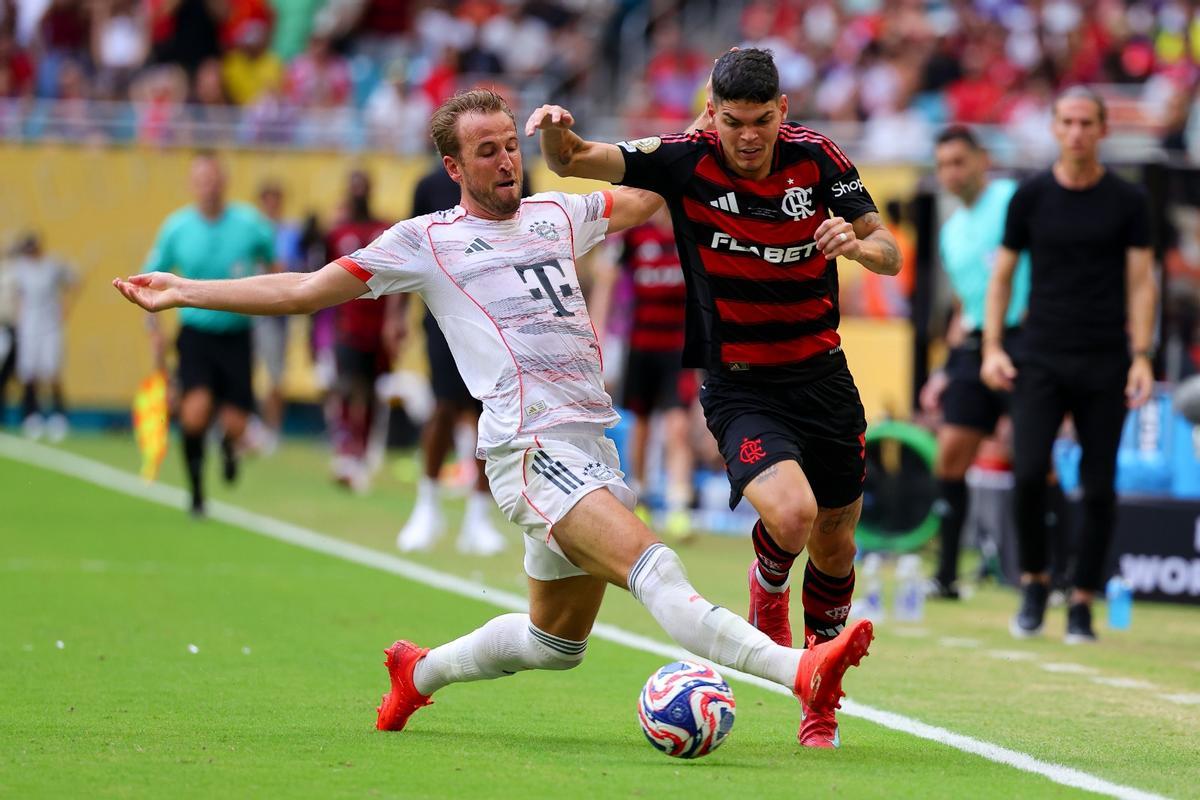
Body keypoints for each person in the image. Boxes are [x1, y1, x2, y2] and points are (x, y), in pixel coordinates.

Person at [114, 88, 873, 749]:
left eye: (511, 144)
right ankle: (800, 669)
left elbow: (652, 192)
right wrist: (185, 291)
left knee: (555, 642)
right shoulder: (426, 242)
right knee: (657, 569)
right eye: (487, 151)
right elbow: (302, 291)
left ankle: (418, 673)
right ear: (454, 167)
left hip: (591, 444)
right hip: (530, 450)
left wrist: (703, 130)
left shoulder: (558, 213)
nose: (508, 160)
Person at [526, 48, 900, 746]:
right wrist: (553, 129)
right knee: (793, 515)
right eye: (733, 122)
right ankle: (770, 589)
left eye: (761, 121)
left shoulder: (820, 158)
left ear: (782, 110)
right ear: (713, 113)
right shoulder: (682, 159)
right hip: (740, 383)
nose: (748, 137)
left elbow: (890, 251)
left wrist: (855, 244)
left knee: (836, 541)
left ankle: (821, 693)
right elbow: (571, 160)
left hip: (823, 377)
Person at [981, 87, 1157, 643]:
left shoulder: (1128, 200)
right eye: (1068, 122)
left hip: (1106, 358)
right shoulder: (1030, 196)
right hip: (1040, 355)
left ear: (1103, 129)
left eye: (1086, 122)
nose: (1077, 132)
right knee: (1029, 474)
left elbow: (1141, 282)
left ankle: (1081, 600)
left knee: (1099, 487)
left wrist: (1143, 355)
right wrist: (992, 346)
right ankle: (1035, 583)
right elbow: (1002, 276)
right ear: (1055, 128)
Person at [394, 161, 530, 556]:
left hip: (498, 315)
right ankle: (427, 506)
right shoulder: (428, 184)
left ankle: (478, 517)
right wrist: (396, 315)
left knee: (491, 413)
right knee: (443, 407)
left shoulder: (513, 178)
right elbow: (407, 249)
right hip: (444, 315)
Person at [922, 126, 1032, 599]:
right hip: (972, 348)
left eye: (959, 162)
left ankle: (1048, 575)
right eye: (943, 165)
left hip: (1024, 340)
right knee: (950, 456)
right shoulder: (951, 232)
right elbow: (964, 305)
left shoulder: (1011, 200)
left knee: (1035, 459)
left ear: (982, 160)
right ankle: (946, 575)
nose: (951, 173)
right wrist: (943, 371)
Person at [142, 151, 276, 516]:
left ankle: (230, 446)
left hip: (237, 333)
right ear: (192, 184)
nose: (209, 187)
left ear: (224, 181)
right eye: (202, 180)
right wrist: (153, 330)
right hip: (197, 334)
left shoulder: (250, 224)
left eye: (214, 179)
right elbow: (149, 280)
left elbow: (275, 263)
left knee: (236, 423)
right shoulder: (177, 228)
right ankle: (197, 493)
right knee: (195, 413)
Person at [588, 204, 696, 540]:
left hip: (679, 350)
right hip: (640, 347)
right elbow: (606, 278)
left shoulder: (690, 233)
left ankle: (678, 506)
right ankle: (643, 495)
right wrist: (597, 332)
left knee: (678, 427)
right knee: (642, 426)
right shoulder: (635, 235)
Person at [325, 169, 406, 493]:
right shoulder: (337, 233)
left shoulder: (384, 229)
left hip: (377, 327)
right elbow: (322, 280)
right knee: (347, 386)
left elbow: (400, 277)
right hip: (349, 325)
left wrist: (395, 319)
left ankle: (364, 449)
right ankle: (346, 449)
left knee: (372, 391)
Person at [9, 233, 79, 442]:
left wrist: (66, 308)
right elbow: (16, 294)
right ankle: (31, 415)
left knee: (52, 372)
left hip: (50, 327)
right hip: (29, 328)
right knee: (29, 373)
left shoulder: (52, 266)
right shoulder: (20, 269)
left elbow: (73, 281)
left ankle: (58, 416)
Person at [252, 178, 303, 454]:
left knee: (275, 375)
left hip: (274, 313)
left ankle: (272, 429)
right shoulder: (251, 230)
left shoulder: (289, 232)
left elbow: (288, 268)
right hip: (248, 311)